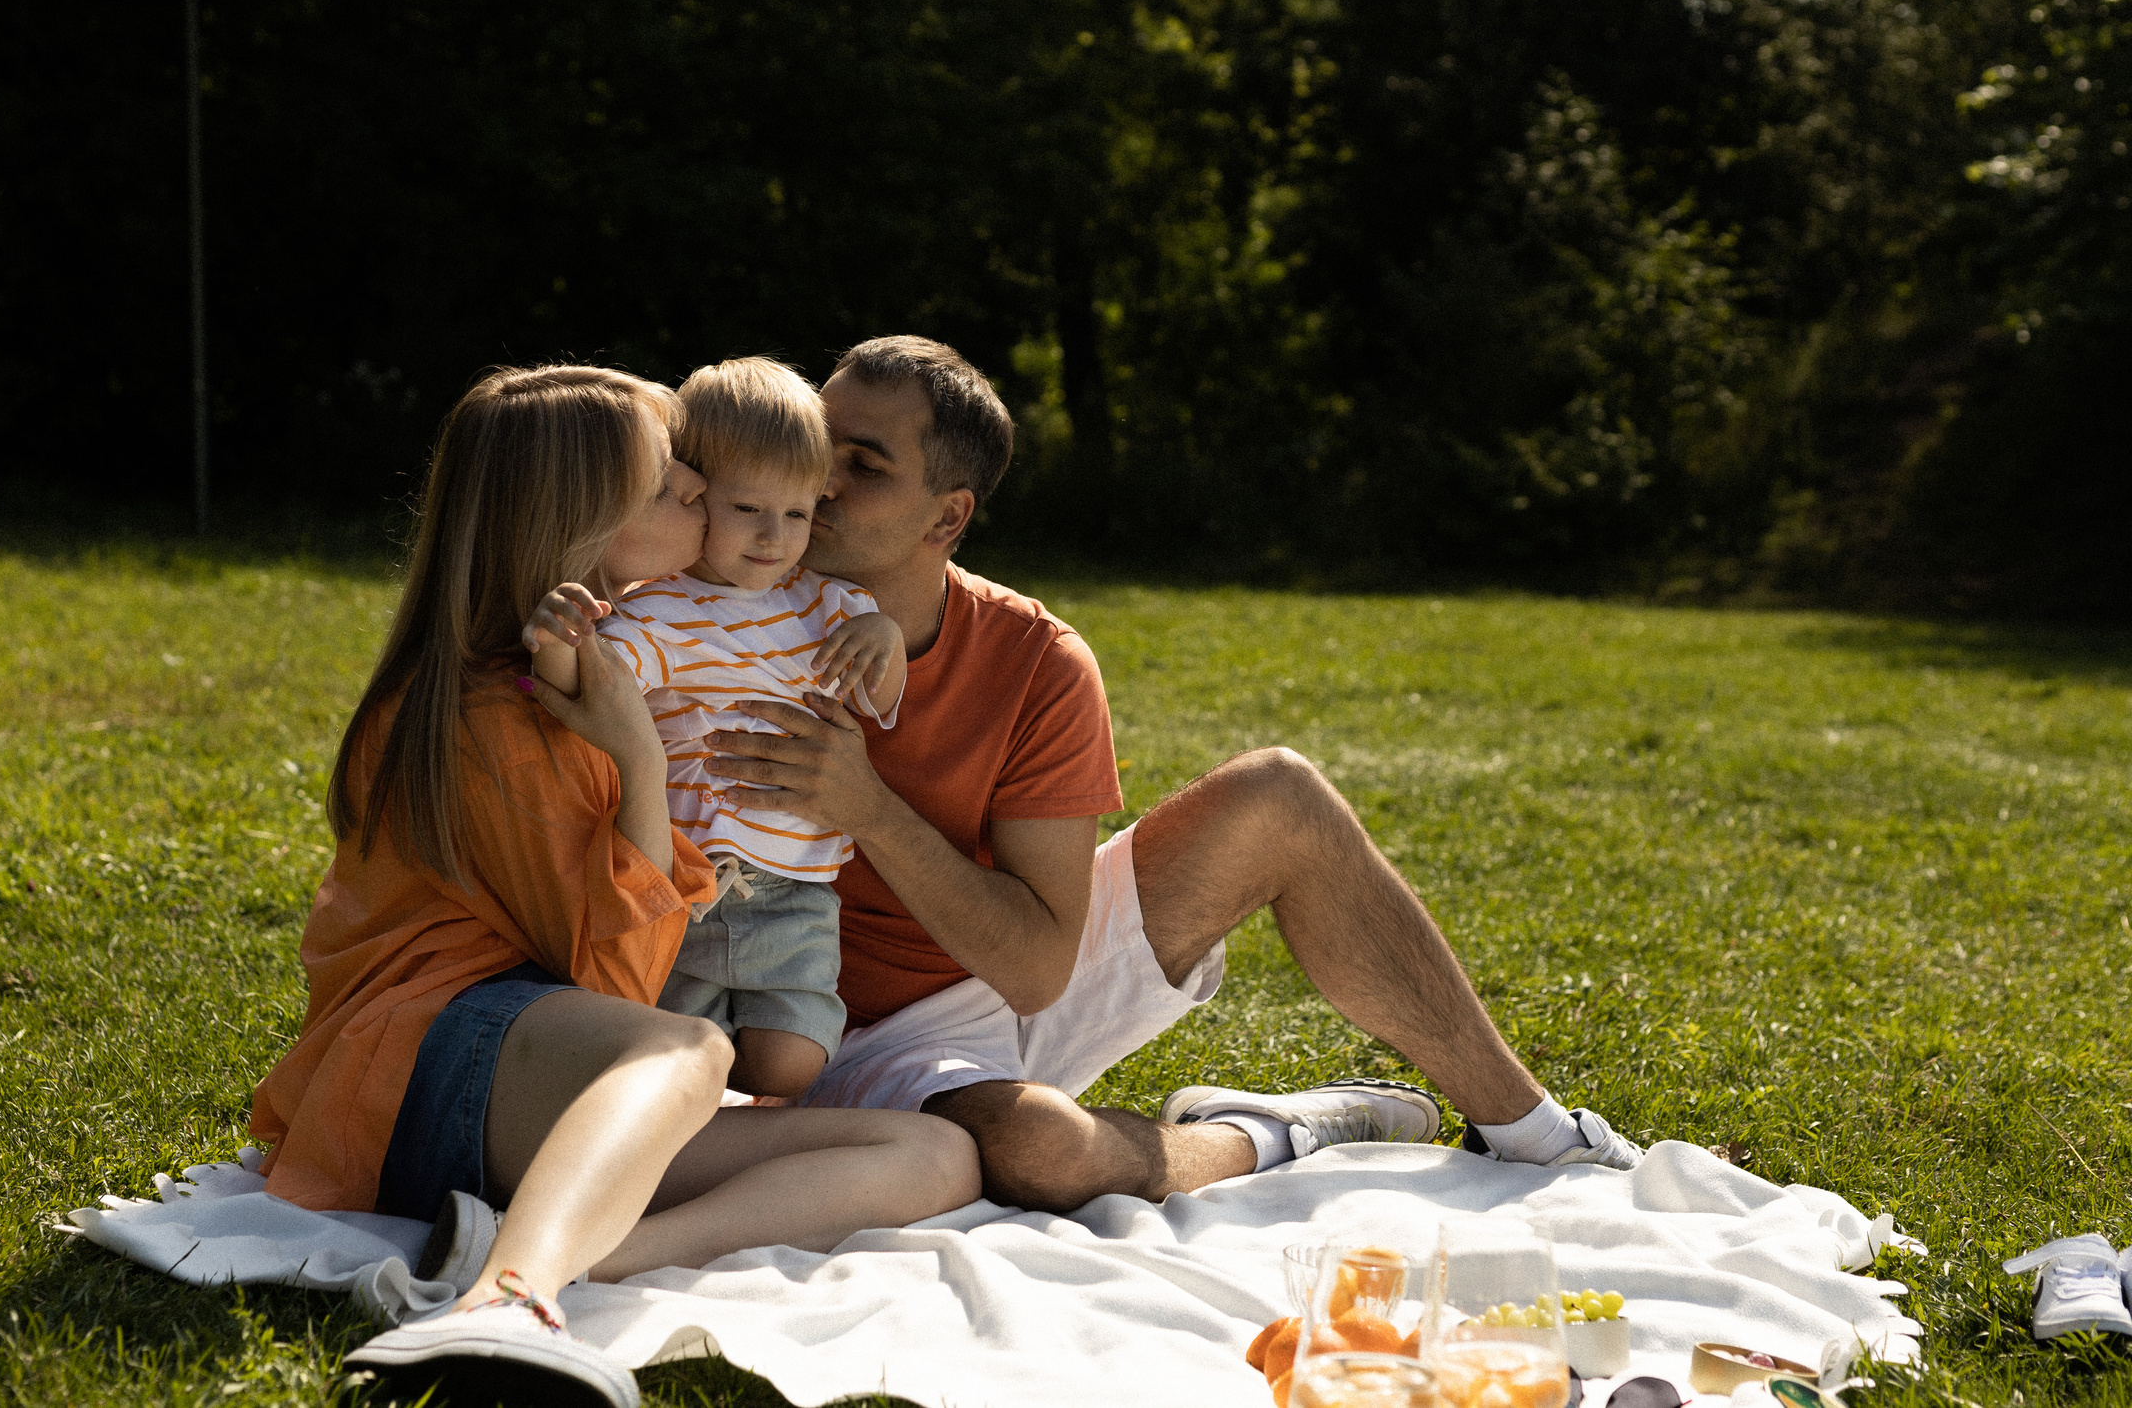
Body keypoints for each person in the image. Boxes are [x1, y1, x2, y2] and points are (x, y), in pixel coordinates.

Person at [702, 335, 1643, 1216]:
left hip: (1002, 969)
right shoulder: (706, 615)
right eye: (816, 444)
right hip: (817, 1031)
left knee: (1278, 796)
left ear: (947, 516)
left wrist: (867, 805)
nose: (817, 479)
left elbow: (1035, 970)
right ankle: (1271, 1133)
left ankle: (1542, 1136)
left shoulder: (1036, 659)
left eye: (862, 464)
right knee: (1040, 1148)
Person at [248, 364, 979, 1408]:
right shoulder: (502, 714)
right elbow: (622, 986)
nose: (702, 496)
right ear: (578, 523)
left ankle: (588, 1248)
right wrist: (639, 764)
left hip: (543, 1080)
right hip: (428, 1064)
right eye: (670, 487)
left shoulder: (600, 668)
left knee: (933, 1154)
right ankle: (508, 1299)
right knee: (688, 1041)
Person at [527, 356, 905, 1100]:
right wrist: (558, 643)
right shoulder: (653, 608)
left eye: (797, 514)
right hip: (684, 884)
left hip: (794, 887)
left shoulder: (830, 606)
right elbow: (586, 691)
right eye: (747, 510)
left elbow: (879, 696)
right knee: (676, 1064)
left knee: (791, 1060)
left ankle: (755, 1111)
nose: (773, 536)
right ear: (700, 498)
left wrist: (884, 640)